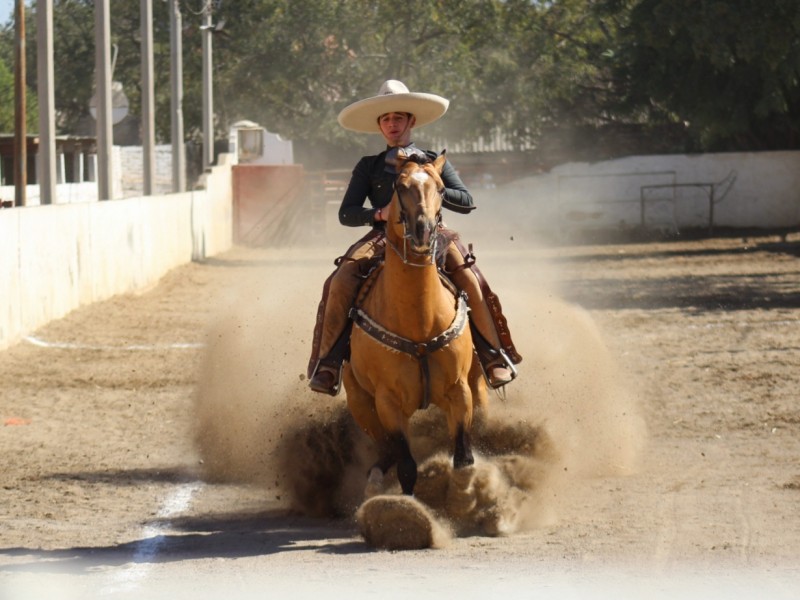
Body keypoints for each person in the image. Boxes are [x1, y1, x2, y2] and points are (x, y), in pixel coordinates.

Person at [307, 79, 521, 395]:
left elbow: (467, 200)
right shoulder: (369, 166)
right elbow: (346, 212)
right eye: (386, 119)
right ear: (379, 126)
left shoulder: (433, 160)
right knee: (340, 281)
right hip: (382, 237)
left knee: (471, 278)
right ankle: (329, 363)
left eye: (398, 118)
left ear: (411, 121)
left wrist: (433, 186)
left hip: (435, 233)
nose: (392, 125)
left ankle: (492, 355)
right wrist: (377, 215)